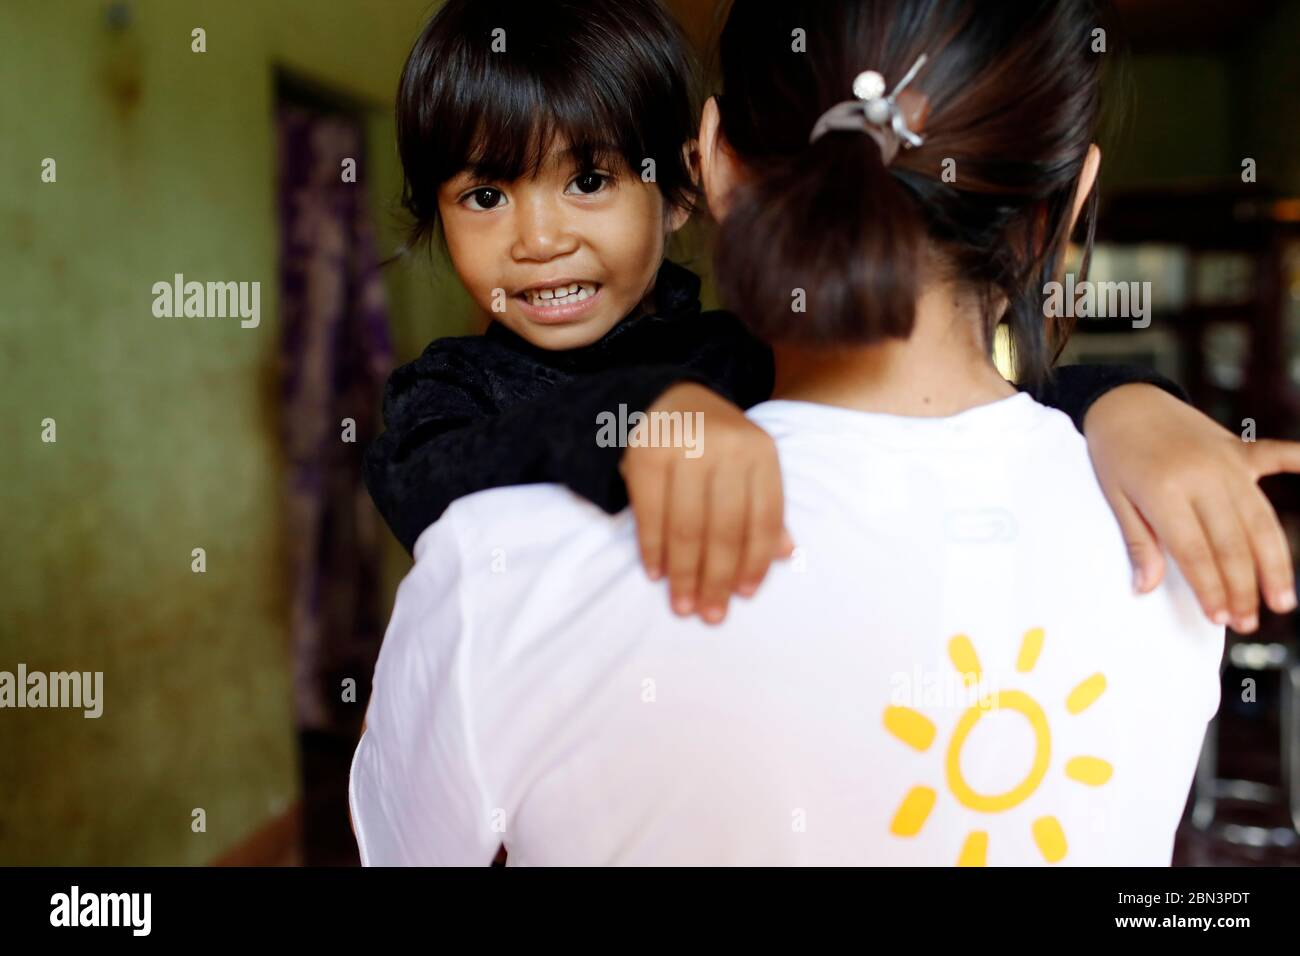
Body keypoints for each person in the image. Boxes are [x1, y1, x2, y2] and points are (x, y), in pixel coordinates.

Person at [350, 0, 1267, 864]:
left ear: (700, 173)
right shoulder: (1181, 538)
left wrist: (1126, 401)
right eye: (484, 195)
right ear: (1068, 201)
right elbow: (426, 463)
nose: (539, 237)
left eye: (588, 181)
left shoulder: (512, 563)